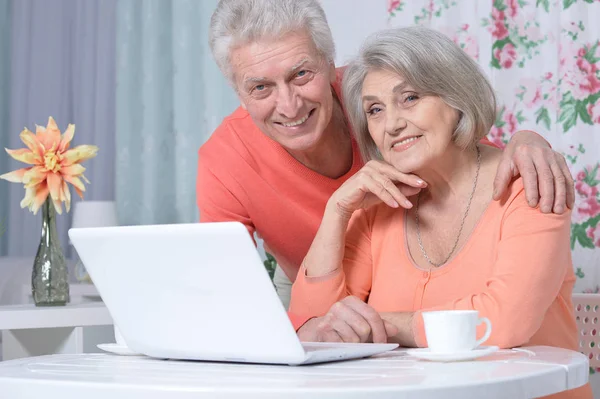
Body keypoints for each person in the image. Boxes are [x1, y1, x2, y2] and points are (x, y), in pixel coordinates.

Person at [198, 0, 575, 325]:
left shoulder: (371, 85)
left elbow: (461, 145)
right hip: (313, 271)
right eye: (260, 87)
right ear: (239, 93)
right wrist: (337, 210)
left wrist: (530, 140)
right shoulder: (224, 161)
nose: (289, 105)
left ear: (330, 66)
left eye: (301, 74)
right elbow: (226, 293)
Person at [289, 26, 590, 398]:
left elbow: (505, 319)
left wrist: (379, 325)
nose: (392, 124)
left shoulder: (528, 180)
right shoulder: (376, 206)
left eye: (410, 97)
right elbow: (314, 329)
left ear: (456, 97)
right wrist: (336, 210)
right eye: (375, 110)